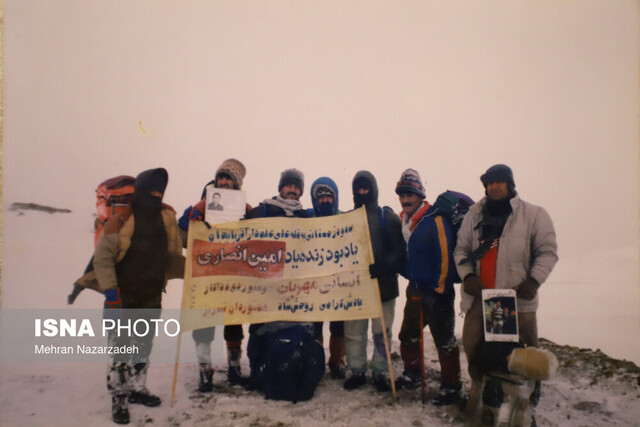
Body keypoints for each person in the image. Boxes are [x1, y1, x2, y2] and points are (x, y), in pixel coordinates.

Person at [454, 164, 558, 410]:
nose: (495, 186)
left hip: (519, 300)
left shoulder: (534, 215)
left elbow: (547, 252)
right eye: (490, 182)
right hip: (480, 300)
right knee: (473, 346)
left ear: (510, 185)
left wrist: (534, 281)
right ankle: (482, 389)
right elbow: (461, 250)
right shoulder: (473, 215)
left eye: (500, 181)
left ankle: (529, 393)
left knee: (527, 350)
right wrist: (467, 275)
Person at [94, 168, 184, 425]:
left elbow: (177, 247)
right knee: (120, 348)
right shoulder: (121, 220)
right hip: (121, 296)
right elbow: (103, 260)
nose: (156, 194)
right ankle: (120, 398)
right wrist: (111, 292)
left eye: (160, 191)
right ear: (142, 189)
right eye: (152, 189)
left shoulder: (166, 217)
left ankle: (137, 388)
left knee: (143, 346)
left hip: (151, 295)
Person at [178, 158, 250, 390]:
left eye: (229, 178)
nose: (224, 181)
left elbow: (261, 225)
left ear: (236, 183)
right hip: (206, 275)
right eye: (221, 177)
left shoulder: (244, 206)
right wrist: (192, 216)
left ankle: (234, 368)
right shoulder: (204, 202)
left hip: (233, 276)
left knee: (233, 321)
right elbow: (182, 231)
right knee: (203, 323)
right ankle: (205, 370)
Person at [393, 168, 463, 405]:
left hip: (438, 292)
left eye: (409, 194)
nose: (405, 199)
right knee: (408, 335)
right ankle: (413, 374)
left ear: (420, 194)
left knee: (444, 340)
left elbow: (445, 257)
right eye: (401, 194)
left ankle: (452, 387)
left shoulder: (436, 219)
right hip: (414, 289)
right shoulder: (404, 219)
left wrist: (439, 289)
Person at [244, 168, 313, 391]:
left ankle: (285, 368)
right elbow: (236, 228)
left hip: (293, 283)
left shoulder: (305, 216)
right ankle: (256, 369)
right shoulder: (263, 210)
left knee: (289, 326)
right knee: (260, 327)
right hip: (265, 281)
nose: (292, 190)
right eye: (288, 185)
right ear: (280, 188)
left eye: (296, 186)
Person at [343, 170, 405, 392]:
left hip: (384, 286)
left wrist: (385, 265)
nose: (362, 191)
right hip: (356, 287)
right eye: (358, 188)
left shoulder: (387, 217)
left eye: (366, 187)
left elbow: (400, 251)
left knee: (382, 332)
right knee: (354, 332)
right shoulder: (346, 219)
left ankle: (380, 371)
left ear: (374, 188)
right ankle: (357, 369)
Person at [306, 177, 346, 379]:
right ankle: (316, 359)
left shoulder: (345, 219)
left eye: (328, 196)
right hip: (314, 282)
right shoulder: (306, 219)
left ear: (335, 197)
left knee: (338, 324)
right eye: (320, 197)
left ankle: (337, 360)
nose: (325, 200)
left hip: (338, 282)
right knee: (315, 324)